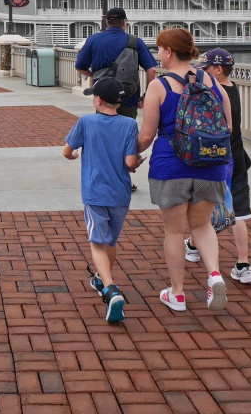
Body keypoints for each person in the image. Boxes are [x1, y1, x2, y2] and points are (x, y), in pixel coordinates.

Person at [137, 28, 233, 313]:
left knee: (175, 231)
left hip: (171, 165)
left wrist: (130, 156)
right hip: (210, 164)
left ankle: (177, 294)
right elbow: (227, 126)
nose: (158, 54)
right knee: (202, 224)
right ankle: (214, 274)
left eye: (159, 49)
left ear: (168, 51)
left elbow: (146, 135)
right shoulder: (211, 80)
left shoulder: (159, 85)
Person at [62, 77, 143, 323]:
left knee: (97, 241)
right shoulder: (129, 124)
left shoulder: (86, 122)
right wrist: (137, 163)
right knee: (110, 240)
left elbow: (67, 151)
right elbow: (130, 162)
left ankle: (110, 289)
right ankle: (100, 278)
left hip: (95, 192)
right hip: (120, 193)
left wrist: (75, 154)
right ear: (118, 101)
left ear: (97, 100)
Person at [186, 48, 251, 283]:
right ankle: (243, 264)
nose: (202, 73)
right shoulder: (233, 89)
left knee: (202, 207)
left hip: (215, 159)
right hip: (236, 157)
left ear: (217, 69)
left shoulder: (214, 93)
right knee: (240, 212)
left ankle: (194, 248)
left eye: (205, 69)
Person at [75, 7, 158, 119]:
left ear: (107, 22)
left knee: (103, 132)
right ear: (124, 22)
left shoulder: (93, 40)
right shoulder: (134, 41)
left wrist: (94, 75)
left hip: (103, 98)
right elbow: (152, 70)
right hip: (128, 99)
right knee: (126, 132)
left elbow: (80, 67)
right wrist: (146, 96)